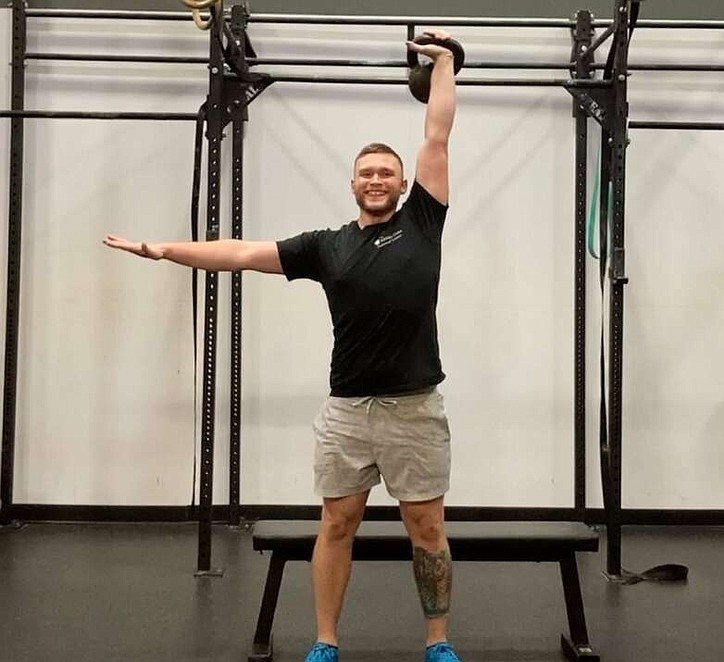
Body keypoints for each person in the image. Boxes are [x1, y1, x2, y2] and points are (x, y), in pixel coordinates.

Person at [103, 28, 460, 662]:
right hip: (348, 414)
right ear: (353, 185)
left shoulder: (424, 222)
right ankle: (326, 641)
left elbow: (436, 134)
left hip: (414, 409)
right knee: (336, 524)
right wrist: (162, 250)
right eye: (366, 173)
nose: (376, 179)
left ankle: (437, 642)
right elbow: (240, 252)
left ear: (403, 186)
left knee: (427, 529)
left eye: (386, 173)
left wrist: (446, 64)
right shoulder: (327, 246)